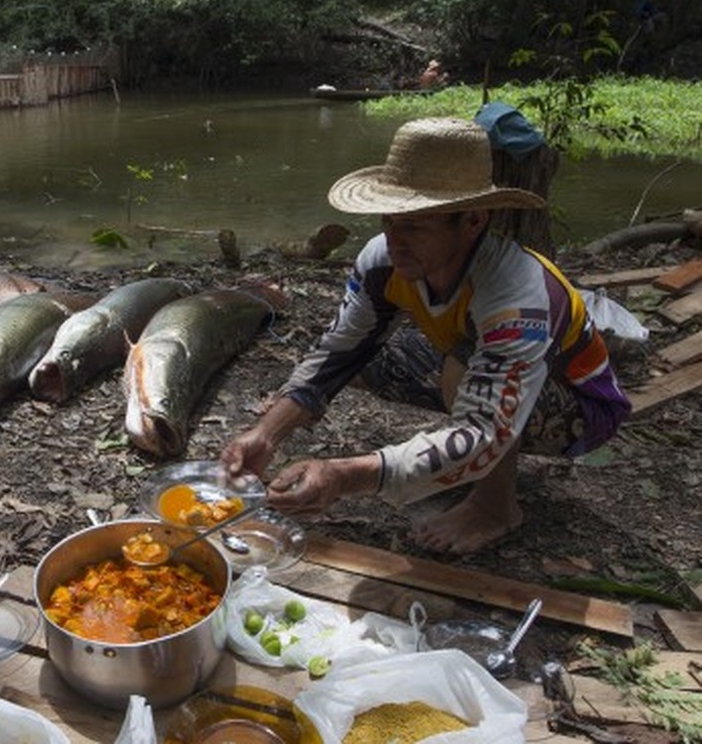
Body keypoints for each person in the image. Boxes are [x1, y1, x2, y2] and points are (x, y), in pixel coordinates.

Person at [222, 117, 630, 555]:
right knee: (367, 358)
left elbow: (484, 430)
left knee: (461, 369)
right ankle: (454, 452)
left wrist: (344, 476)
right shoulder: (383, 261)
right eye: (389, 222)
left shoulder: (517, 292)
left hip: (577, 408)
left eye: (415, 226)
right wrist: (267, 432)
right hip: (477, 363)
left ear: (473, 221)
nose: (395, 241)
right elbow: (339, 349)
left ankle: (496, 507)